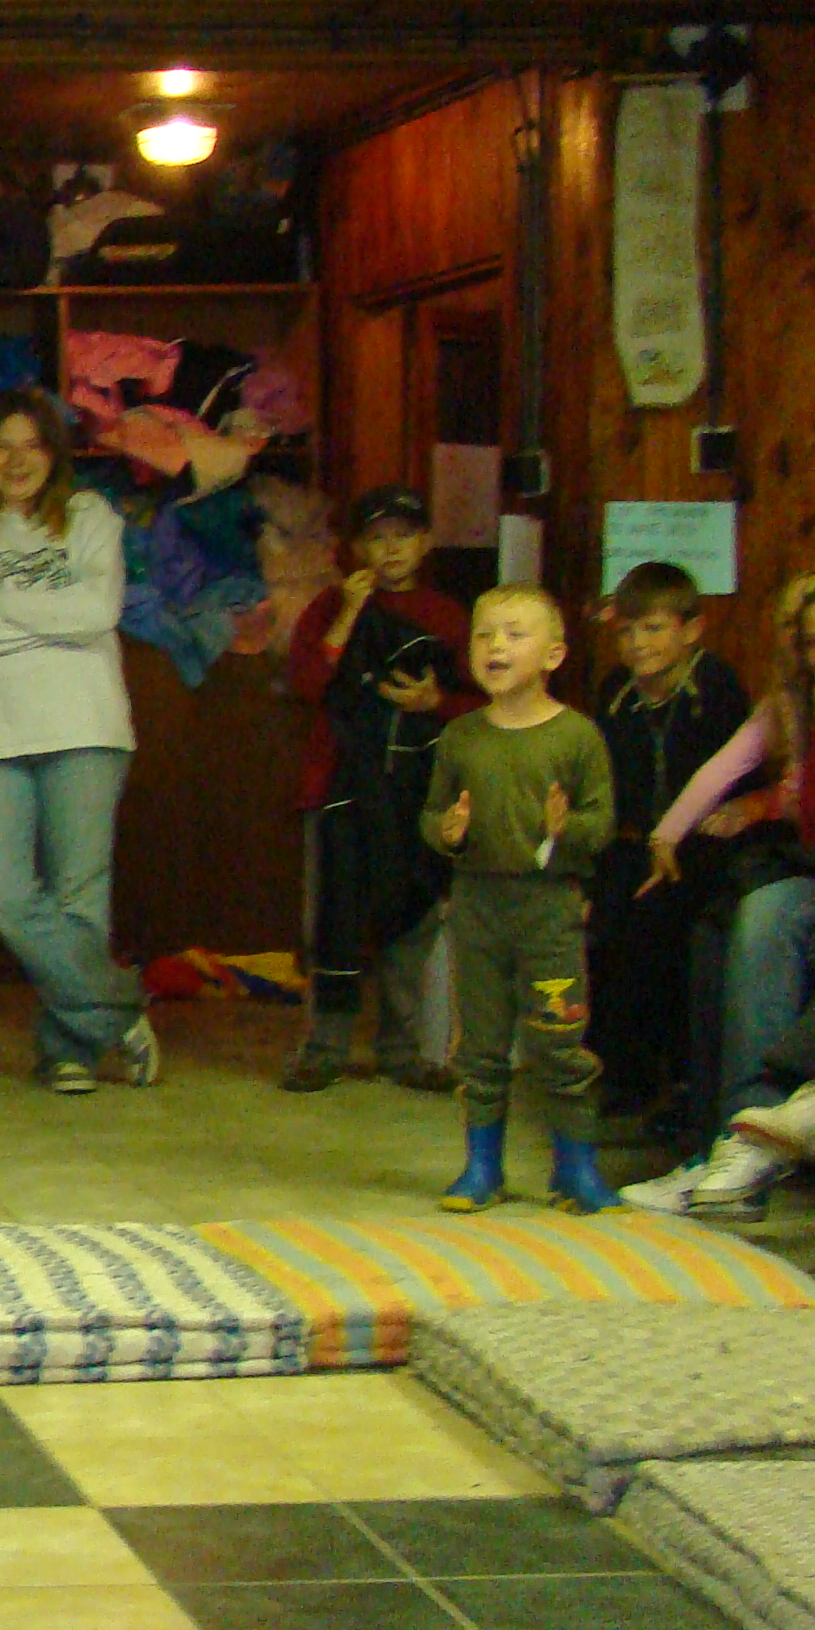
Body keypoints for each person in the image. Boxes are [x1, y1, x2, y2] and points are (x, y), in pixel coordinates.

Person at [0, 387, 156, 1094]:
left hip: (85, 725)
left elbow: (96, 613)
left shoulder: (91, 518)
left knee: (77, 898)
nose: (16, 460)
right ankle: (119, 1006)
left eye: (32, 445)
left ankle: (70, 1051)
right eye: (2, 447)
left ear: (55, 455)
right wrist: (47, 615)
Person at [625, 572, 815, 1219]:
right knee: (731, 921)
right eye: (810, 641)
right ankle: (729, 1144)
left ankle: (783, 1119)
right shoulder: (796, 706)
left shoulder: (719, 688)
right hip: (809, 870)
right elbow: (729, 769)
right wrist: (668, 834)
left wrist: (763, 805)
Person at [421, 587, 616, 1214]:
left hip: (550, 909)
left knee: (559, 1039)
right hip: (476, 907)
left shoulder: (578, 735)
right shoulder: (460, 736)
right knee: (480, 1044)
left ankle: (576, 1170)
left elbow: (602, 823)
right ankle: (482, 1168)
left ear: (554, 654)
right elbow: (431, 814)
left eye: (513, 633)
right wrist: (447, 832)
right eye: (483, 634)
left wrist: (567, 829)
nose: (495, 646)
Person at [282, 486, 477, 1093]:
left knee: (411, 917)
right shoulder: (329, 605)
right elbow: (308, 682)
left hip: (419, 790)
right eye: (376, 538)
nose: (391, 549)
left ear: (425, 542)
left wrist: (434, 701)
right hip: (338, 785)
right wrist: (348, 612)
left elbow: (480, 702)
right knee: (330, 918)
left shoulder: (447, 616)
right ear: (356, 548)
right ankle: (325, 1047)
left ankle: (401, 1048)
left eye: (403, 536)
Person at [586, 559, 752, 1118]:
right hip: (635, 840)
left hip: (703, 841)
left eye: (653, 628)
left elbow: (730, 779)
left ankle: (683, 1079)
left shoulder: (716, 687)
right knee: (609, 918)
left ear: (692, 629)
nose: (638, 644)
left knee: (667, 925)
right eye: (627, 631)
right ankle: (620, 1071)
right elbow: (606, 781)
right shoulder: (615, 692)